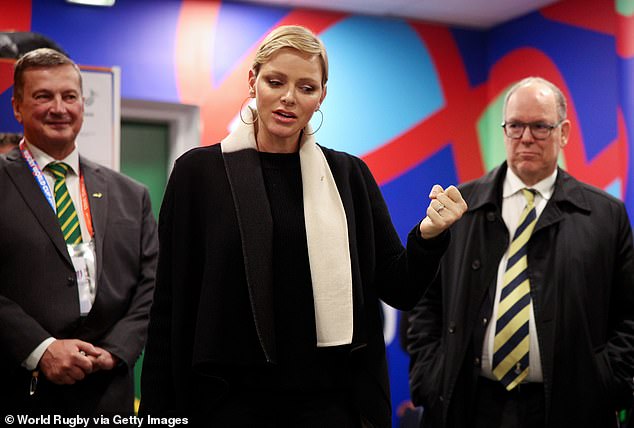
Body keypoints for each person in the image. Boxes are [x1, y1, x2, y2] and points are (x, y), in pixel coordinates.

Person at [140, 25, 467, 427]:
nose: (288, 98)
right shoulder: (199, 173)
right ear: (253, 81)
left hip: (330, 405)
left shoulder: (348, 175)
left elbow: (399, 287)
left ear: (322, 95)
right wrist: (158, 415)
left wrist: (429, 236)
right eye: (275, 82)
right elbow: (169, 305)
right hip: (226, 404)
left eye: (306, 87)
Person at [407, 76, 634, 428]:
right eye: (515, 126)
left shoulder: (606, 215)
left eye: (540, 126)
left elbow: (628, 314)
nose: (526, 137)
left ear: (564, 132)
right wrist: (429, 377)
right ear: (504, 130)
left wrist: (608, 383)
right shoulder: (461, 207)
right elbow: (425, 302)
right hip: (470, 404)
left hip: (570, 407)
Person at [0, 48, 158, 415]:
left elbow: (152, 285)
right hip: (19, 392)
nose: (60, 108)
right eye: (43, 96)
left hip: (108, 395)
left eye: (69, 96)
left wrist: (116, 351)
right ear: (17, 108)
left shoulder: (131, 195)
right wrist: (40, 349)